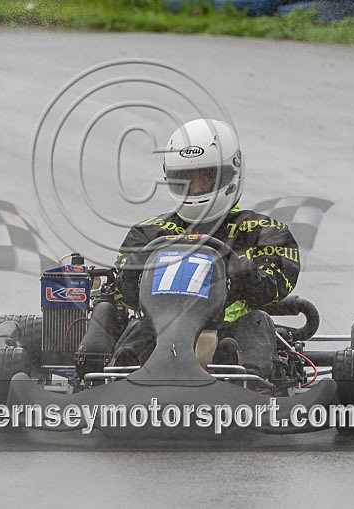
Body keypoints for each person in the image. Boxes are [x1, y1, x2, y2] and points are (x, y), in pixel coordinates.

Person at [78, 118, 300, 381]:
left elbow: (275, 287)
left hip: (228, 330)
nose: (195, 189)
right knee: (138, 326)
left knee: (257, 322)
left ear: (231, 174)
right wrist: (132, 274)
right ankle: (123, 374)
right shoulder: (148, 233)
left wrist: (242, 271)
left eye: (206, 178)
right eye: (186, 180)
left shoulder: (263, 231)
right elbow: (125, 296)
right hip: (160, 330)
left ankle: (247, 381)